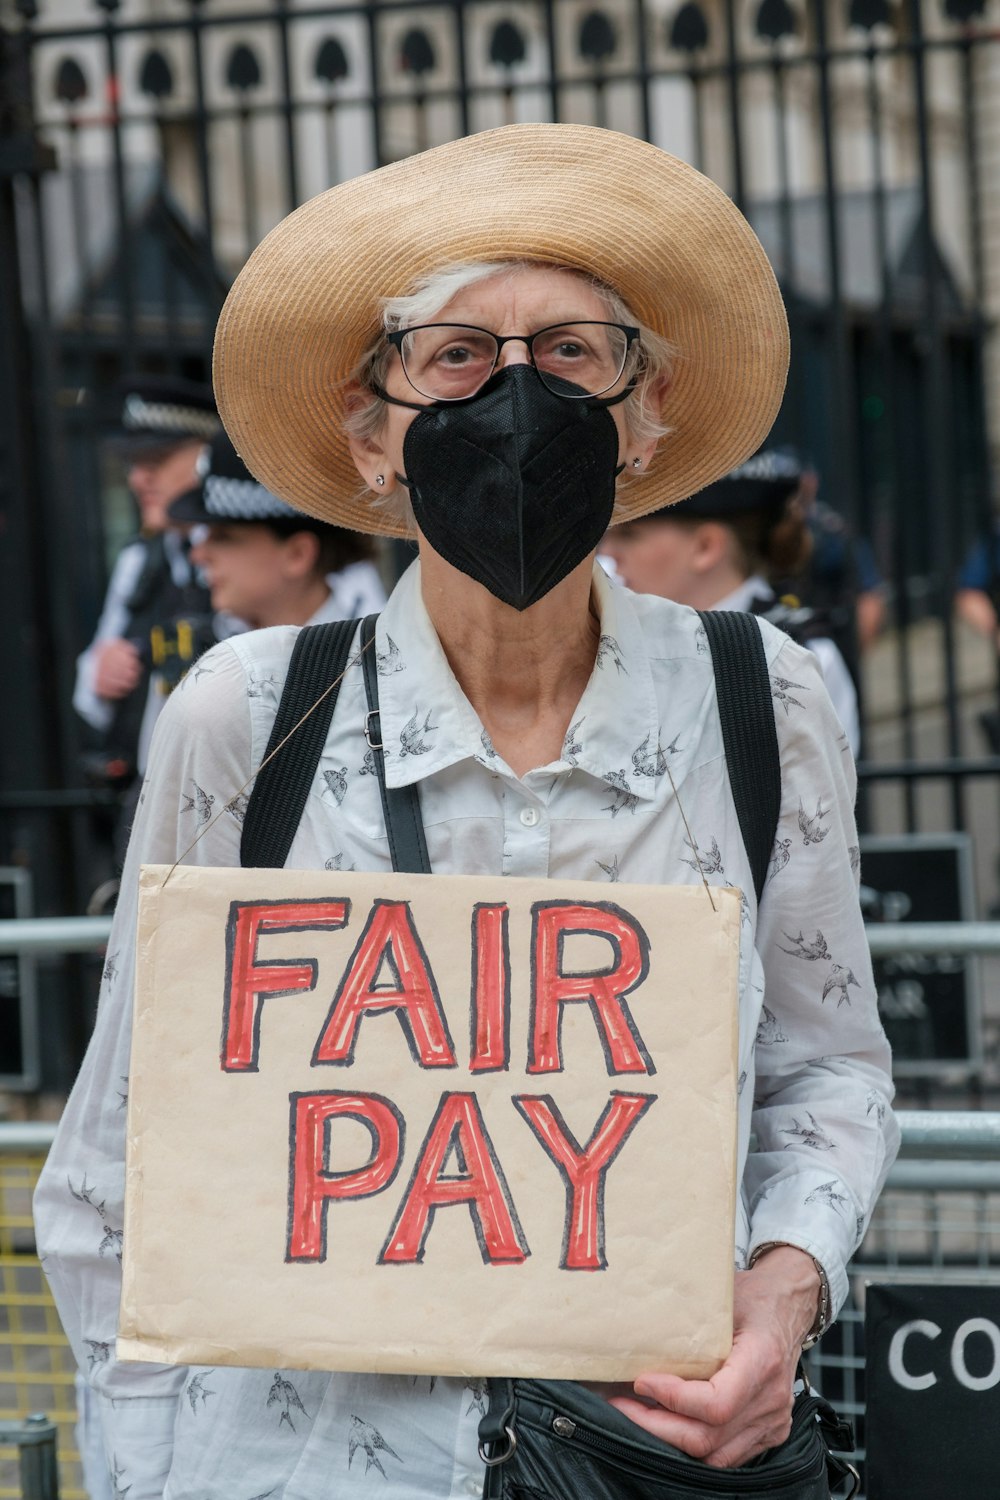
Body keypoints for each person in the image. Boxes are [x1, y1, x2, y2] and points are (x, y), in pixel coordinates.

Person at [35, 123, 897, 1498]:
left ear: (645, 416)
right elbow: (119, 1169)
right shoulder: (243, 723)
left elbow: (829, 1073)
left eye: (571, 353)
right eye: (455, 357)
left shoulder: (759, 700)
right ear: (372, 441)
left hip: (645, 1456)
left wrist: (782, 1297)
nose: (515, 397)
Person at [600, 449, 861, 755]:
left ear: (705, 547)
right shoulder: (619, 644)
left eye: (629, 535)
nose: (608, 553)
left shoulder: (795, 657)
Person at [74, 376, 219, 788]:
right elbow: (92, 680)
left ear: (206, 454)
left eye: (155, 460)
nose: (138, 479)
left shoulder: (254, 552)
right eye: (133, 464)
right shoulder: (139, 560)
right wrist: (99, 670)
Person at [169, 429, 387, 631]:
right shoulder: (212, 642)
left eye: (225, 536)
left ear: (297, 554)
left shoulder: (366, 662)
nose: (197, 555)